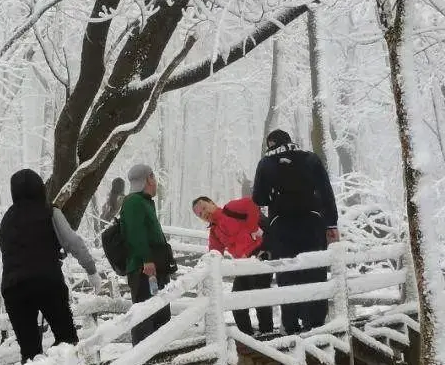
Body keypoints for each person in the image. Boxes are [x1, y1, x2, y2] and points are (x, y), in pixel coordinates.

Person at [0, 169, 101, 365]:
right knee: (66, 336)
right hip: (47, 282)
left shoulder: (6, 220)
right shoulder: (49, 212)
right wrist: (91, 270)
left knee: (28, 346)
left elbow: (16, 252)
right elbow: (72, 241)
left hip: (14, 288)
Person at [252, 129, 339, 334]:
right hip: (312, 223)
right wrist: (331, 224)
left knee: (287, 274)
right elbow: (326, 191)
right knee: (315, 271)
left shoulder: (266, 163)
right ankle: (316, 323)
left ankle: (291, 326)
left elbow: (259, 198)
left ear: (270, 144)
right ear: (290, 141)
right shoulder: (310, 158)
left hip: (282, 226)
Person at [192, 195, 273, 336]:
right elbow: (214, 254)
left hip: (261, 256)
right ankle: (247, 336)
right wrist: (203, 267)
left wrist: (252, 227)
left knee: (261, 297)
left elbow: (252, 203)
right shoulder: (214, 232)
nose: (204, 213)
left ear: (212, 202)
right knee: (236, 301)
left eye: (204, 208)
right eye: (200, 214)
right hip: (243, 265)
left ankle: (267, 334)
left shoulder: (231, 209)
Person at [120, 164, 174, 345]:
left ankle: (160, 355)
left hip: (153, 268)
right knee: (145, 316)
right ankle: (145, 362)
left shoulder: (143, 201)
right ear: (148, 179)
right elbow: (136, 233)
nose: (156, 182)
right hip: (144, 269)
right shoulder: (134, 202)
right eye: (154, 178)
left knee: (160, 313)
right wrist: (147, 261)